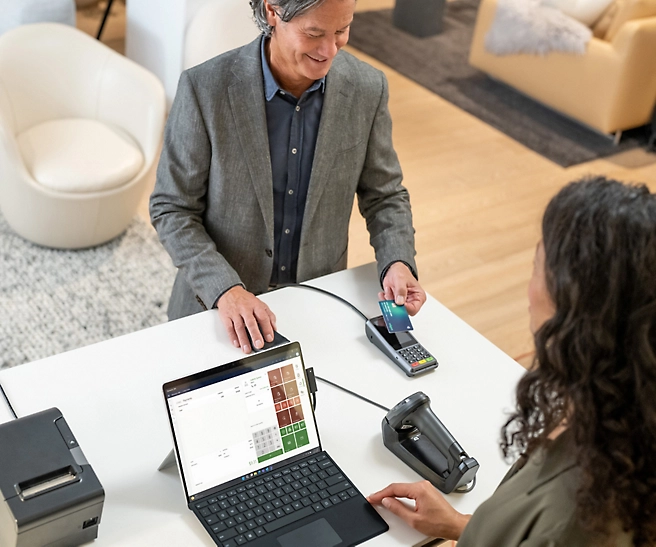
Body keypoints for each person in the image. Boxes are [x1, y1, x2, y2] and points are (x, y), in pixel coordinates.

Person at [368, 176, 656, 546]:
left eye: (537, 264)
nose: (528, 287)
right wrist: (462, 526)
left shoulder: (568, 520)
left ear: (573, 310)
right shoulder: (620, 418)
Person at [149, 0, 426, 354]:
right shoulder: (204, 89)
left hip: (316, 307)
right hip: (218, 312)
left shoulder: (368, 88)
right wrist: (225, 290)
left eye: (341, 31)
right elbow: (171, 208)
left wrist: (397, 261)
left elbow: (385, 196)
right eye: (313, 33)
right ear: (271, 12)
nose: (329, 51)